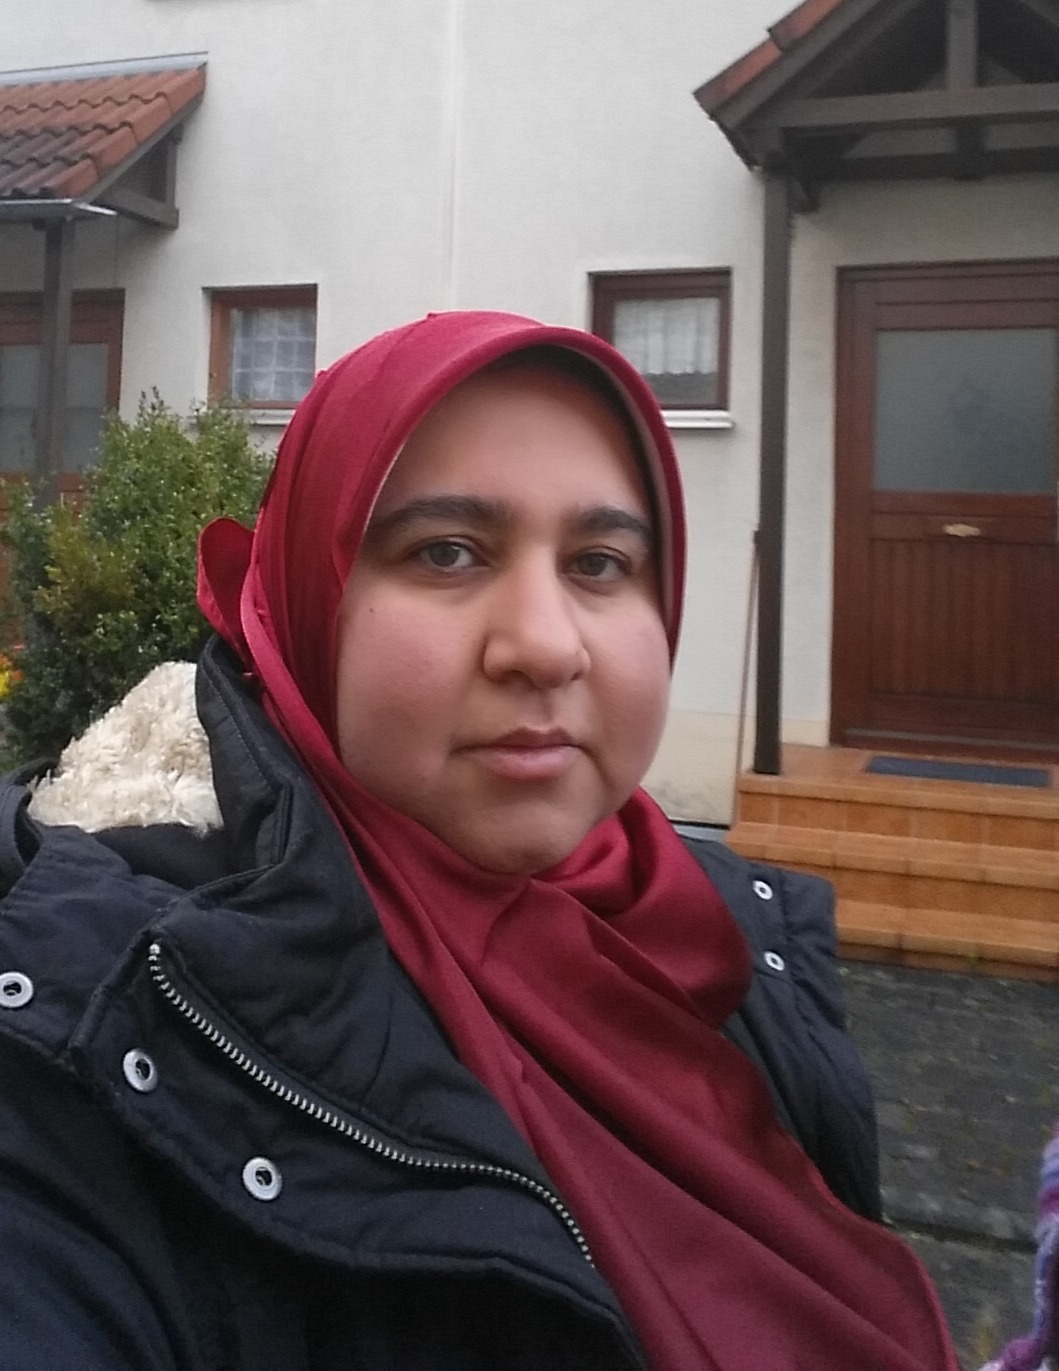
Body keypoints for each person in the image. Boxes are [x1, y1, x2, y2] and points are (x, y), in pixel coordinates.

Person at [0, 310, 959, 1370]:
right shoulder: (104, 1029)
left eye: (600, 562)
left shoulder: (731, 937)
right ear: (309, 604)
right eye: (447, 552)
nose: (545, 646)